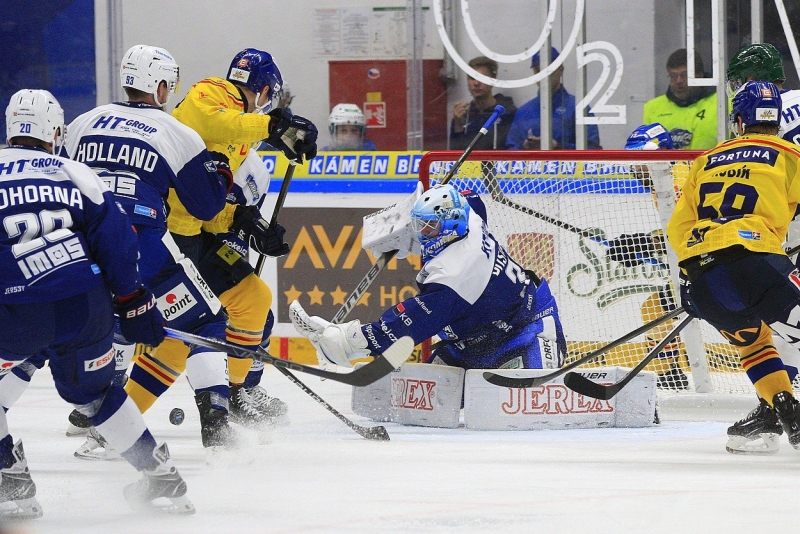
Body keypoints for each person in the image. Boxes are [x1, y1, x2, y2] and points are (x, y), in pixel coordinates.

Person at [0, 89, 193, 516]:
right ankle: (161, 479)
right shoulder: (76, 172)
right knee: (98, 395)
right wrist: (135, 301)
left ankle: (10, 483)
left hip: (16, 309)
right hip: (83, 306)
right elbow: (118, 243)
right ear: (55, 132)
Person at [120, 48, 317, 430]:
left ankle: (238, 390)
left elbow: (211, 202)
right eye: (269, 99)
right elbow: (213, 122)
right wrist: (271, 128)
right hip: (165, 238)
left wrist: (249, 225)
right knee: (182, 337)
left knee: (254, 299)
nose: (268, 108)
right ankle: (115, 421)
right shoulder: (211, 92)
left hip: (194, 236)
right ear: (264, 91)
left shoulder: (244, 134)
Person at [64, 44, 241, 457]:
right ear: (160, 86)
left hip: (78, 246)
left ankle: (101, 418)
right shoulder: (174, 131)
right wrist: (221, 169)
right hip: (138, 241)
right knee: (207, 322)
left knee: (98, 323)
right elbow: (207, 205)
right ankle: (216, 420)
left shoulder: (82, 123)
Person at [290, 184, 567, 371]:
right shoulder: (468, 217)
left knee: (533, 398)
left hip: (526, 329)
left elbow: (409, 323)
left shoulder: (455, 274)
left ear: (450, 223)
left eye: (429, 227)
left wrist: (349, 341)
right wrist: (409, 227)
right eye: (419, 226)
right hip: (473, 341)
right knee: (427, 399)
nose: (423, 234)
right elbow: (470, 196)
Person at [667, 81, 800, 454]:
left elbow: (679, 228)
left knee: (755, 344)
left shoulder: (706, 159)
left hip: (703, 277)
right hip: (756, 262)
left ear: (739, 120)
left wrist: (689, 274)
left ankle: (785, 409)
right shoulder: (789, 154)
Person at [722, 42, 800, 454]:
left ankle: (772, 411)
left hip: (787, 226)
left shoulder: (759, 124)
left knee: (781, 320)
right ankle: (773, 407)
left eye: (740, 81)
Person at [605, 123, 690, 390]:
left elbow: (688, 232)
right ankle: (670, 374)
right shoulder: (667, 176)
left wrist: (643, 244)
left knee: (656, 309)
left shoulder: (675, 181)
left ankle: (670, 375)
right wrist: (643, 244)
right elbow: (675, 230)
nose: (636, 166)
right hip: (701, 264)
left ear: (662, 152)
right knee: (657, 308)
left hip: (711, 265)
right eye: (633, 159)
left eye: (641, 157)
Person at [506, 47, 601, 150]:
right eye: (538, 71)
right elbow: (511, 151)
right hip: (533, 166)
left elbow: (592, 150)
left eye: (548, 70)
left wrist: (557, 147)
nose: (543, 76)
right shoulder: (523, 112)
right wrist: (524, 148)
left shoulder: (579, 108)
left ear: (561, 69)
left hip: (566, 166)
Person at [642, 48, 718, 150]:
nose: (679, 81)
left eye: (685, 75)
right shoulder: (653, 107)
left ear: (699, 75)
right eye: (673, 75)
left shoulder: (721, 103)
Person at [449, 56, 517, 150]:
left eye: (482, 78)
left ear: (492, 81)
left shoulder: (508, 114)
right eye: (472, 78)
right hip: (470, 164)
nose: (476, 83)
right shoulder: (463, 116)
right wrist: (458, 125)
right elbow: (454, 157)